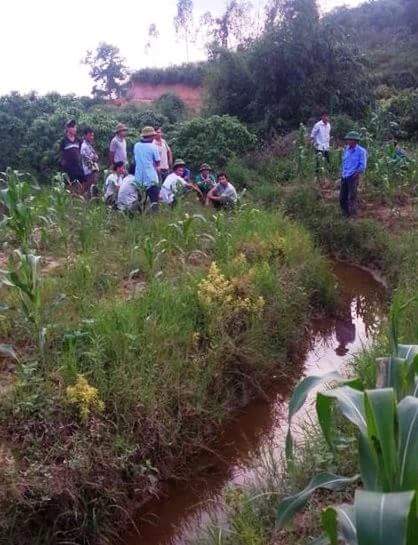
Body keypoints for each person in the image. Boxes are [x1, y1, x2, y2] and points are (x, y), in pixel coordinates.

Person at [340, 131, 367, 218]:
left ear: (355, 141)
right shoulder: (346, 150)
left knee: (352, 197)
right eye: (347, 140)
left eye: (349, 140)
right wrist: (342, 173)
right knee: (342, 197)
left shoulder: (361, 151)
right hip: (345, 176)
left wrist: (356, 174)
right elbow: (344, 162)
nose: (347, 141)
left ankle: (353, 216)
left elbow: (362, 165)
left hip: (353, 176)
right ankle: (345, 214)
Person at [133, 126, 161, 212]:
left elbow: (135, 160)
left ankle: (140, 217)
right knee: (154, 201)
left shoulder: (136, 145)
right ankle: (155, 217)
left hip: (139, 178)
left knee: (141, 201)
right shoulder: (153, 147)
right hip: (151, 178)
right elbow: (157, 163)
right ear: (151, 136)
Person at [60, 120, 85, 190]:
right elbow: (62, 154)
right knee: (70, 187)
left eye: (75, 127)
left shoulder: (78, 140)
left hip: (78, 167)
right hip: (69, 169)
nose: (75, 129)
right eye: (73, 127)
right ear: (68, 128)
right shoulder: (63, 141)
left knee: (81, 186)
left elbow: (81, 152)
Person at [80, 127, 99, 197]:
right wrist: (93, 159)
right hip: (88, 171)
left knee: (92, 189)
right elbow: (85, 159)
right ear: (85, 136)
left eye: (92, 135)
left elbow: (94, 156)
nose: (92, 137)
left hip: (92, 171)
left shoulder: (89, 145)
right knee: (87, 189)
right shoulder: (84, 146)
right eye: (90, 135)